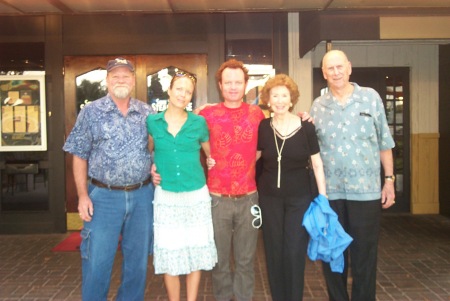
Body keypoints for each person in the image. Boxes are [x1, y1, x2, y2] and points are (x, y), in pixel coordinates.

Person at [63, 58, 155, 301]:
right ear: (107, 81)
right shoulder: (91, 112)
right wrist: (82, 196)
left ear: (134, 80)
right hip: (103, 198)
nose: (121, 80)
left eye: (126, 75)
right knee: (97, 262)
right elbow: (79, 155)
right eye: (115, 76)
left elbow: (156, 149)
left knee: (137, 264)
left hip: (142, 196)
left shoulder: (147, 112)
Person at [310, 50, 396, 301]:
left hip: (366, 193)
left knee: (364, 258)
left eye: (340, 66)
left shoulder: (370, 98)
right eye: (330, 68)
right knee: (333, 256)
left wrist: (389, 180)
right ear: (324, 73)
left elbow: (384, 143)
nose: (336, 72)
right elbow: (311, 145)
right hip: (331, 194)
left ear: (349, 67)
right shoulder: (318, 105)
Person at [146, 71, 218, 301]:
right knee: (169, 252)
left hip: (196, 195)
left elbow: (211, 155)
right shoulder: (152, 122)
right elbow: (147, 153)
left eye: (188, 92)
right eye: (179, 89)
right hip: (166, 196)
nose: (183, 94)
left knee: (195, 251)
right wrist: (151, 168)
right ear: (169, 91)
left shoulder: (199, 123)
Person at [256, 74, 327, 301]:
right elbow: (254, 159)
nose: (279, 100)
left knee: (294, 251)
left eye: (284, 95)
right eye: (274, 95)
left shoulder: (306, 127)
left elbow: (316, 163)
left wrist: (323, 198)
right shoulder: (264, 127)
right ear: (267, 99)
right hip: (269, 199)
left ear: (291, 99)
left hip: (300, 198)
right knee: (274, 251)